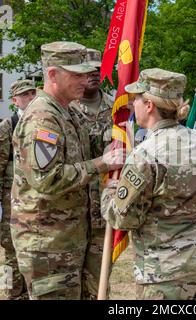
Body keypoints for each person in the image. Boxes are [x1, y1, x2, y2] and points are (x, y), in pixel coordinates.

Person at [101, 68, 196, 300]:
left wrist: (108, 193)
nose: (133, 106)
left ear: (150, 105)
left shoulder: (145, 155)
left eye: (136, 100)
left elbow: (123, 218)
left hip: (167, 274)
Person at [10, 41, 124, 300]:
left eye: (86, 74)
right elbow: (47, 180)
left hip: (68, 238)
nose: (85, 80)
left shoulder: (66, 112)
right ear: (53, 74)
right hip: (48, 244)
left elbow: (82, 154)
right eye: (77, 74)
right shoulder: (43, 118)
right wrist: (102, 163)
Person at [69, 48, 113, 300]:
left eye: (98, 69)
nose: (95, 74)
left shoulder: (117, 107)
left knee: (99, 284)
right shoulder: (65, 109)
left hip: (103, 209)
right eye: (89, 70)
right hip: (70, 211)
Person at [0, 80, 36, 299]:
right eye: (25, 95)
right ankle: (10, 292)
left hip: (34, 200)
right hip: (10, 199)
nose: (31, 98)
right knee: (10, 251)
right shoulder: (8, 125)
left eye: (33, 93)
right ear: (15, 101)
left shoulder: (42, 122)